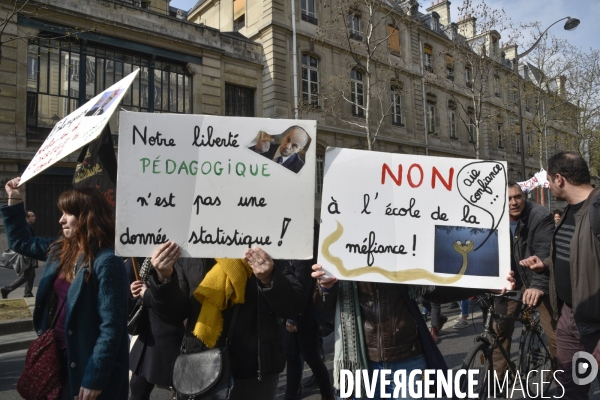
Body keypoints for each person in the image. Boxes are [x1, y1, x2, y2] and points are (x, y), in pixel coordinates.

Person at [0, 177, 129, 400]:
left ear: (87, 216)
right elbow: (20, 242)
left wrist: (95, 377)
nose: (61, 220)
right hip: (58, 356)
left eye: (67, 214)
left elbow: (112, 327)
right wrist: (15, 198)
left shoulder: (107, 261)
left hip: (86, 360)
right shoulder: (60, 249)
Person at [311, 265, 516, 399]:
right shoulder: (339, 256)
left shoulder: (405, 250)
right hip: (360, 365)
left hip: (407, 361)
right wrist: (326, 288)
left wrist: (487, 283)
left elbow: (436, 290)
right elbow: (322, 311)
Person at [146, 242, 305, 400]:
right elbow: (173, 315)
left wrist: (270, 277)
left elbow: (293, 307)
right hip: (200, 364)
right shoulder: (189, 250)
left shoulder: (265, 244)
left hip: (255, 369)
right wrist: (163, 278)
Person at [520, 151, 600, 399]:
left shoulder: (598, 210)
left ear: (559, 179)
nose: (549, 185)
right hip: (568, 317)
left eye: (548, 180)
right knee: (570, 385)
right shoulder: (568, 211)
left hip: (596, 322)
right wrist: (546, 264)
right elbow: (576, 256)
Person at [490, 181, 557, 379]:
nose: (514, 202)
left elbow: (545, 252)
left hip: (537, 276)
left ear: (524, 196)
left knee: (554, 334)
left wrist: (537, 286)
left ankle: (562, 375)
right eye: (508, 198)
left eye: (517, 196)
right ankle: (500, 379)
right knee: (498, 330)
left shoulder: (540, 215)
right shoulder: (493, 217)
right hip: (510, 280)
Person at [282, 222, 333, 400]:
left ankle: (326, 394)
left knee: (309, 357)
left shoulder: (304, 248)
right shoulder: (303, 243)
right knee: (294, 356)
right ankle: (292, 394)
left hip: (303, 314)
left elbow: (302, 283)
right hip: (299, 313)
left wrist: (293, 318)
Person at [128, 256, 185, 400]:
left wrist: (146, 294)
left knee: (181, 390)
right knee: (137, 387)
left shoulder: (182, 259)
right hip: (150, 332)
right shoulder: (150, 258)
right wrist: (137, 289)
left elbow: (177, 302)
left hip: (171, 335)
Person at [1, 211, 38, 298]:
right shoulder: (26, 227)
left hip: (29, 254)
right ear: (27, 218)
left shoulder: (27, 227)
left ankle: (28, 293)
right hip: (27, 254)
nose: (34, 217)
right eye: (32, 216)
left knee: (31, 275)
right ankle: (7, 289)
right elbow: (26, 241)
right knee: (28, 275)